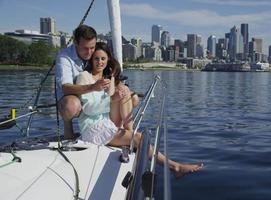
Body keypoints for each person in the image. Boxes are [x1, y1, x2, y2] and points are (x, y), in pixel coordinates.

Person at [76, 42, 203, 178]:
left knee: (124, 90)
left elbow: (113, 98)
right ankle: (174, 167)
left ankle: (130, 132)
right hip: (93, 128)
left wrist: (113, 80)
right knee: (140, 139)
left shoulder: (106, 78)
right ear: (91, 59)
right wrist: (111, 99)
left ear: (108, 60)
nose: (100, 62)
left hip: (107, 121)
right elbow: (88, 109)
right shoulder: (84, 76)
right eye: (96, 58)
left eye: (103, 59)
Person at [55, 24, 106, 139]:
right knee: (71, 106)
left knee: (130, 98)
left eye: (92, 48)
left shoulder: (97, 53)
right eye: (85, 48)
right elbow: (66, 88)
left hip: (94, 94)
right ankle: (69, 133)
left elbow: (112, 67)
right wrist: (93, 87)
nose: (89, 52)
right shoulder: (64, 57)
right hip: (71, 97)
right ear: (76, 43)